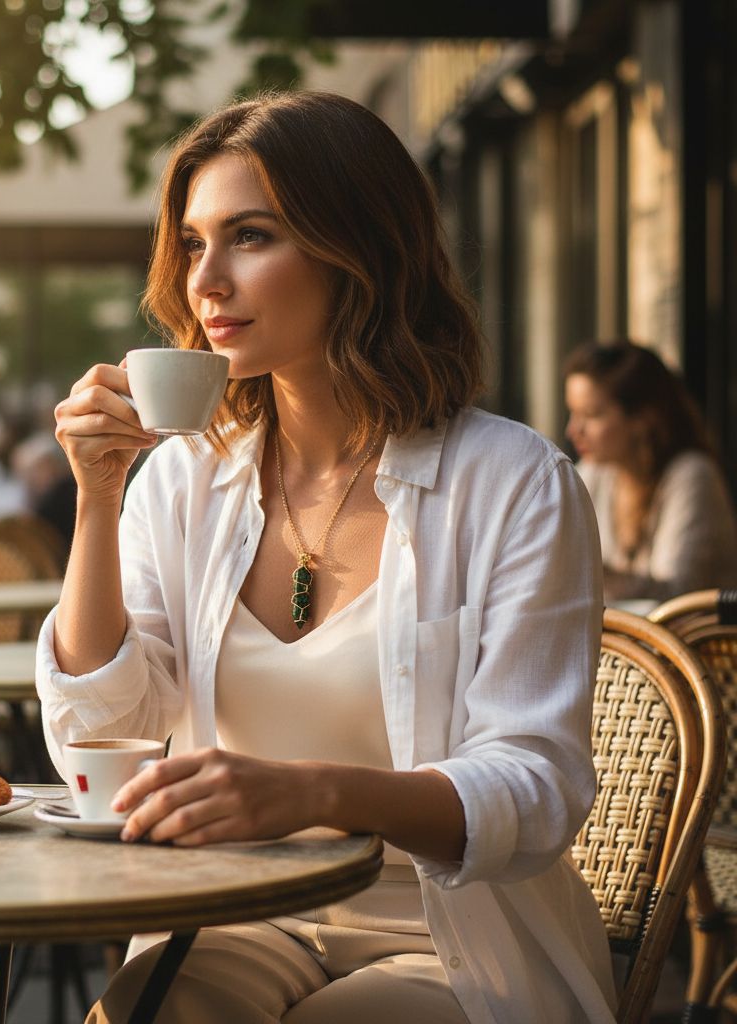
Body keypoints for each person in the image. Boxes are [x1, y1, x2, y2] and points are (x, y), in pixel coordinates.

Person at [39, 91, 615, 1024]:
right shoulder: (183, 478)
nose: (206, 282)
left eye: (250, 236)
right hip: (230, 917)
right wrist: (96, 501)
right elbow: (99, 732)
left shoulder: (513, 481)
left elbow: (536, 786)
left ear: (358, 249)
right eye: (192, 244)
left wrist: (312, 792)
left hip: (452, 939)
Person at [564, 339, 737, 602]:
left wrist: (586, 570)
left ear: (642, 418)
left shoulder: (692, 476)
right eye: (572, 413)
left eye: (591, 414)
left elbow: (675, 597)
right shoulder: (594, 473)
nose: (573, 430)